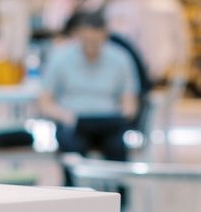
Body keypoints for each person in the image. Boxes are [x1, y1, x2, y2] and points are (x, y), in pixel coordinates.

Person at [38, 11, 142, 162]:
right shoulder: (60, 57)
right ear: (78, 35)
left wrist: (123, 115)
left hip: (108, 121)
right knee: (71, 147)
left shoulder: (121, 58)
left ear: (105, 36)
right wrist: (64, 116)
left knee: (117, 147)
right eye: (87, 41)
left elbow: (129, 100)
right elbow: (45, 100)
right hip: (73, 121)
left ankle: (117, 184)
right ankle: (72, 183)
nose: (91, 47)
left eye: (96, 41)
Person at [103, 0, 191, 85]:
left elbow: (180, 36)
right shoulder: (117, 5)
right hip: (129, 64)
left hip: (163, 66)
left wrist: (181, 62)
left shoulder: (167, 6)